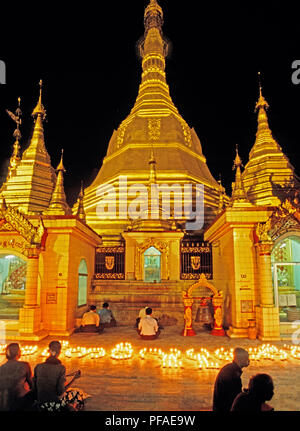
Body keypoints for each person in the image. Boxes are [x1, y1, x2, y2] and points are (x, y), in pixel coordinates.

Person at [33, 340, 85, 411]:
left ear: (48, 351)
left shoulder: (38, 366)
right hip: (53, 404)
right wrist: (74, 378)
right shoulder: (61, 368)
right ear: (60, 352)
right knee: (77, 394)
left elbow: (34, 388)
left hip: (40, 403)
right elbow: (60, 392)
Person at [212, 347, 250, 412]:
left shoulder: (231, 368)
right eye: (246, 358)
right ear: (240, 359)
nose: (249, 360)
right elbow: (236, 398)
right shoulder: (233, 373)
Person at [0, 343, 33, 411]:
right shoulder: (24, 365)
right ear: (18, 353)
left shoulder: (1, 368)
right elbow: (31, 384)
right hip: (19, 401)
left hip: (2, 402)